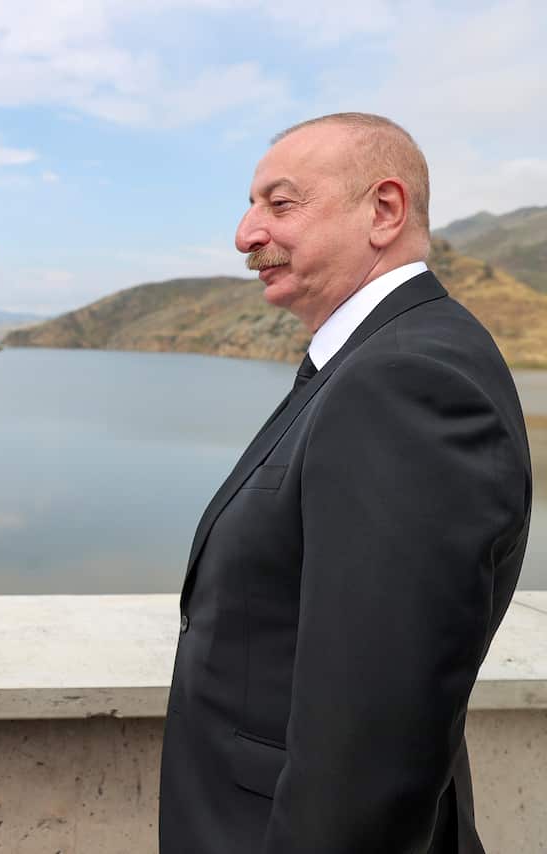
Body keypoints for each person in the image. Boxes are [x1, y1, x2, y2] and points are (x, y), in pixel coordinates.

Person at [159, 113, 531, 853]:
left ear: (384, 211)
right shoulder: (374, 361)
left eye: (281, 203)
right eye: (252, 203)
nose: (245, 233)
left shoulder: (406, 381)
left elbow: (374, 739)